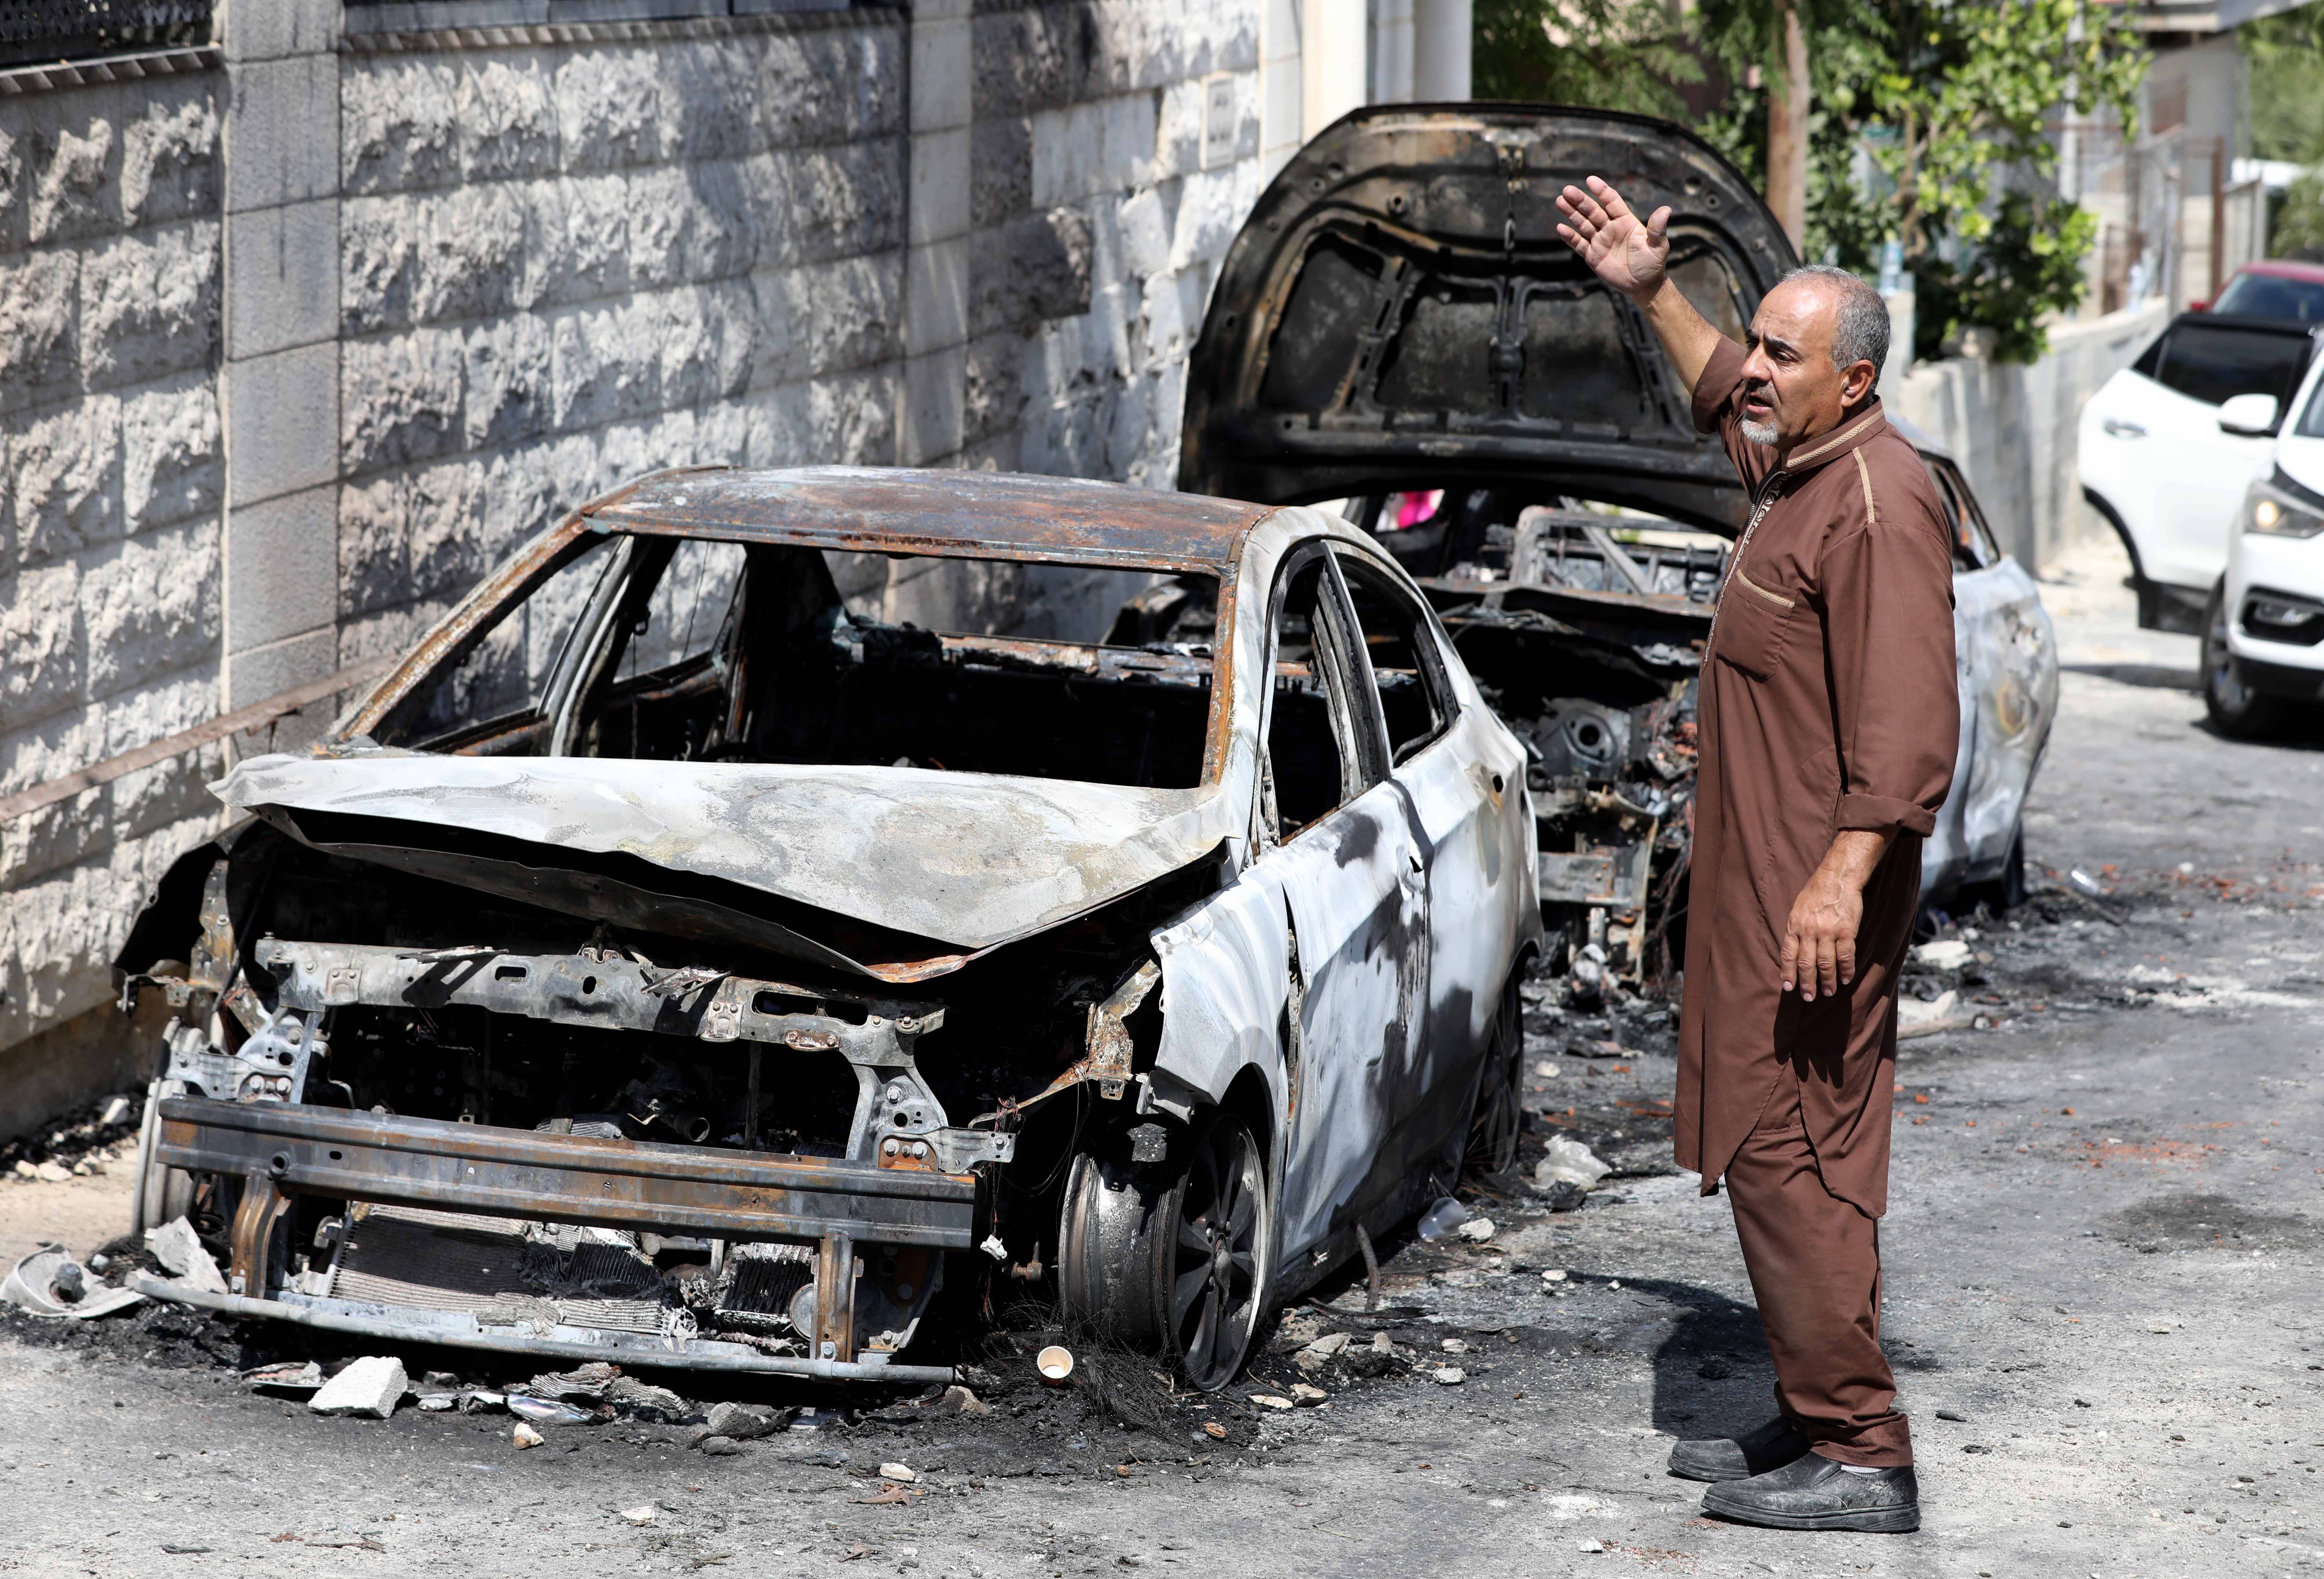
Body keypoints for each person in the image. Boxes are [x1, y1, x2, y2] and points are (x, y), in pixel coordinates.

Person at [1556, 177, 1959, 1534]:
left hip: (1813, 900)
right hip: (1761, 891)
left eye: (1785, 356)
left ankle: (1863, 1450)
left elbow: (1907, 732)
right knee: (1770, 1144)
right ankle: (1813, 1402)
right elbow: (1724, 389)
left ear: (1851, 382)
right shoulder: (1805, 469)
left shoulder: (1883, 503)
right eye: (1762, 350)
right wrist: (1651, 291)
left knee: (1799, 1153)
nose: (1758, 374)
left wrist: (1840, 878)